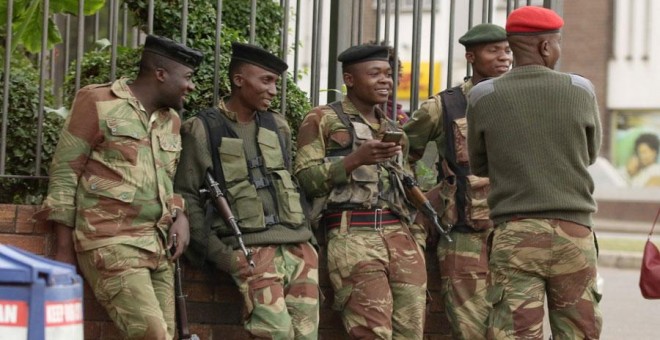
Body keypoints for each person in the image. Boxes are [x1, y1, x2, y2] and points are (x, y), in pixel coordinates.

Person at [36, 35, 202, 339]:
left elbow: (168, 180)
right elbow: (65, 172)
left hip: (158, 246)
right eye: (188, 77)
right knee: (153, 334)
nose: (192, 86)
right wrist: (63, 250)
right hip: (109, 241)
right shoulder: (98, 101)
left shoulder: (172, 121)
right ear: (160, 73)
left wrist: (180, 214)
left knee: (165, 334)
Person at [466, 6, 602, 339]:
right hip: (574, 231)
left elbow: (480, 165)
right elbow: (590, 153)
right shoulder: (580, 89)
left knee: (513, 333)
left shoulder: (483, 95)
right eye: (557, 43)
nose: (558, 50)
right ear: (545, 47)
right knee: (579, 332)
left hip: (514, 233)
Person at [173, 42, 319, 339]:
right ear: (239, 80)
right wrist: (223, 255)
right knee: (275, 334)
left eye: (276, 82)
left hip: (299, 249)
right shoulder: (202, 128)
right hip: (251, 251)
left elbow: (286, 182)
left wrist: (309, 243)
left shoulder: (278, 125)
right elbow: (187, 195)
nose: (274, 90)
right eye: (266, 80)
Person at [294, 44, 427, 339]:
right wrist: (355, 160)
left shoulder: (395, 130)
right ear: (350, 79)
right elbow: (306, 178)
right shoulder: (322, 118)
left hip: (400, 238)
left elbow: (407, 187)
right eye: (375, 73)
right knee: (371, 333)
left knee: (412, 334)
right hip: (354, 236)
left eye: (389, 74)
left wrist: (416, 238)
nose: (385, 81)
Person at [403, 23, 511, 339]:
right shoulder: (443, 106)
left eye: (507, 50)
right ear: (470, 56)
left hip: (513, 232)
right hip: (464, 237)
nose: (503, 57)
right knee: (471, 331)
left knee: (512, 330)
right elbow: (402, 154)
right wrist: (425, 198)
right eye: (493, 51)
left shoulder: (518, 102)